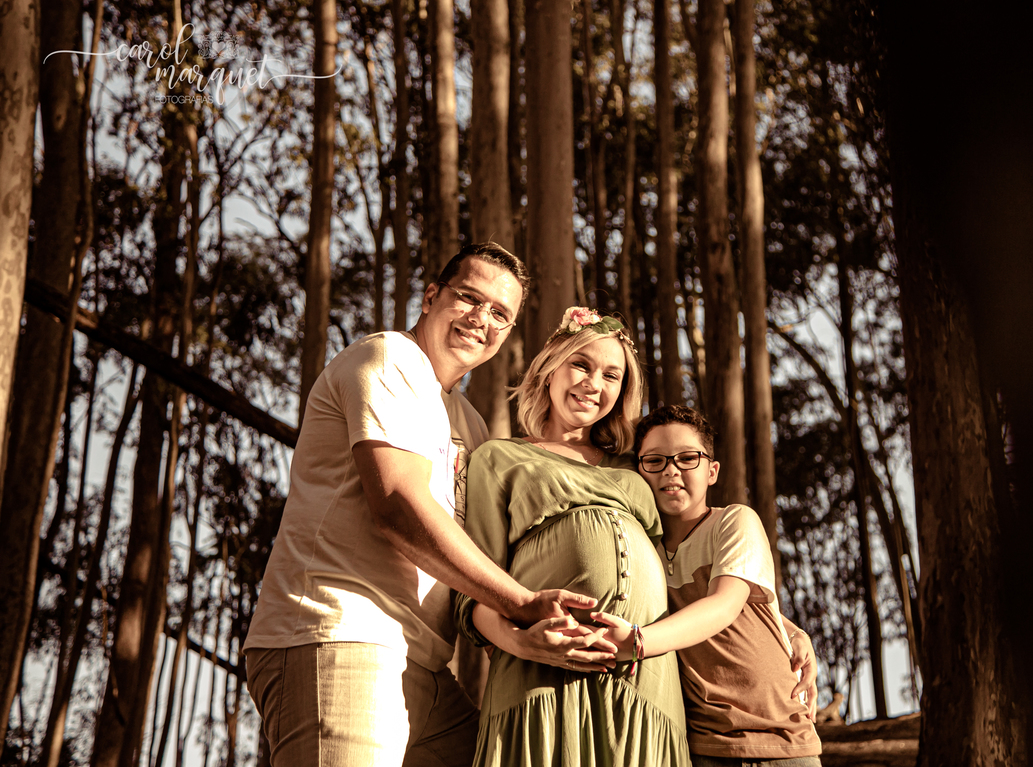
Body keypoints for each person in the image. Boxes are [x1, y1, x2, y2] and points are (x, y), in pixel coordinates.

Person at [244, 245, 613, 767]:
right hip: (341, 633)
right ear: (431, 296)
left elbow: (480, 554)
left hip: (427, 665)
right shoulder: (389, 358)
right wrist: (523, 603)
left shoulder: (469, 423)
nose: (481, 319)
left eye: (500, 314)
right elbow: (398, 506)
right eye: (469, 298)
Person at [453, 307, 691, 767]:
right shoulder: (499, 459)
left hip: (646, 679)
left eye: (611, 375)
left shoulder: (637, 467)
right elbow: (475, 587)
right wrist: (524, 643)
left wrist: (772, 619)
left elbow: (693, 560)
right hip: (541, 674)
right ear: (549, 370)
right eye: (581, 364)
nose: (593, 384)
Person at [593, 404, 824, 767]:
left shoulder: (734, 522)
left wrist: (636, 642)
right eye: (654, 460)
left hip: (781, 739)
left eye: (687, 458)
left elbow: (726, 604)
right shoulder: (638, 547)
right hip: (705, 747)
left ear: (712, 471)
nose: (671, 469)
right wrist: (792, 629)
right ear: (637, 471)